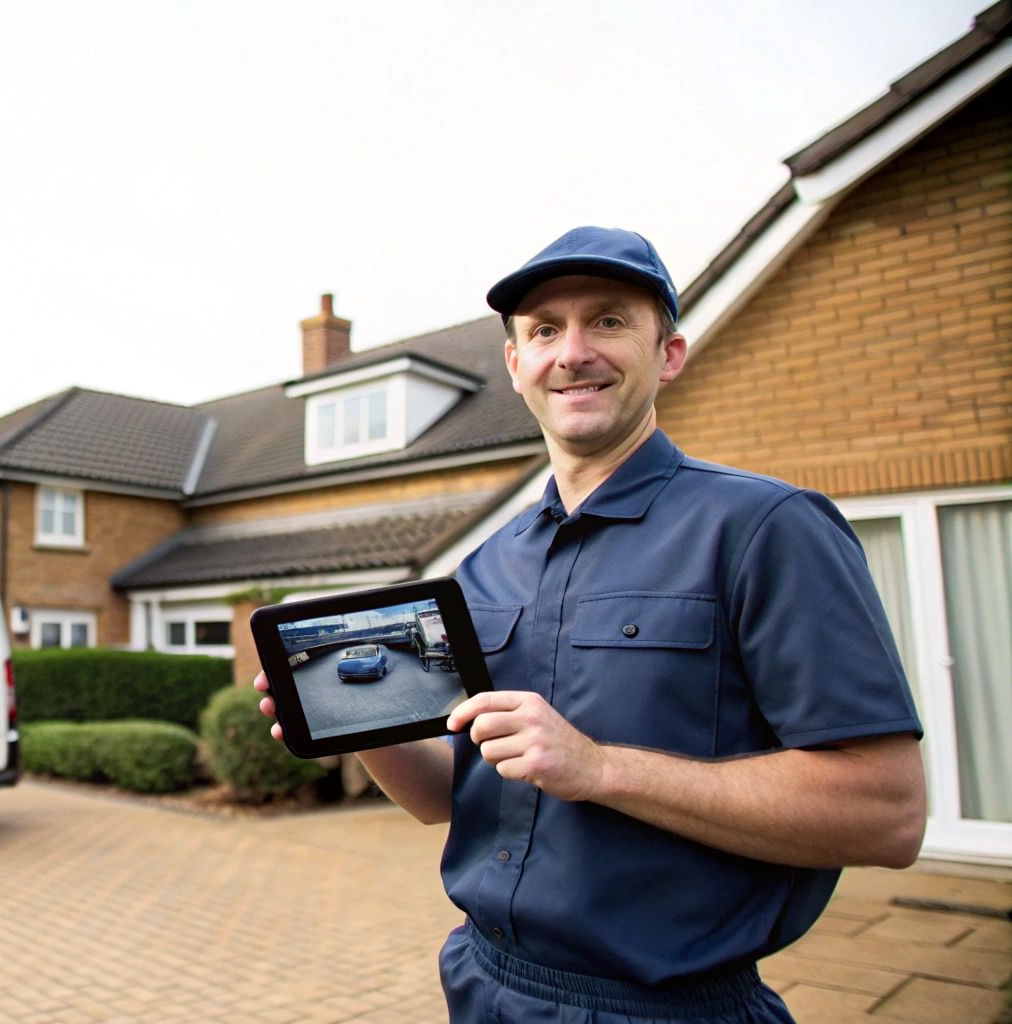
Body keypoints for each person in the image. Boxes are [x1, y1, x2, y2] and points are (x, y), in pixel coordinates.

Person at [255, 226, 926, 1023]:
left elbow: (887, 814)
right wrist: (354, 720)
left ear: (668, 353)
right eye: (544, 330)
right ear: (516, 366)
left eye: (607, 321)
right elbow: (450, 797)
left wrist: (599, 766)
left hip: (667, 1009)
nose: (572, 352)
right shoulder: (483, 566)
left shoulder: (765, 528)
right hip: (482, 984)